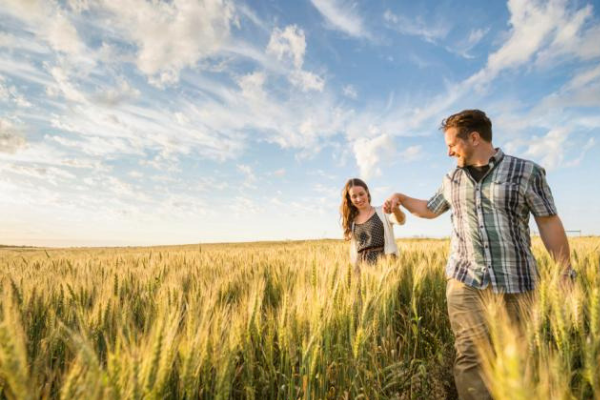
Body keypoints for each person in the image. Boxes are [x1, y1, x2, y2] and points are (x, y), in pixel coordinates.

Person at [384, 109, 573, 400]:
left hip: (516, 282)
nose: (449, 153)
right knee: (471, 357)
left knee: (517, 359)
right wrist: (402, 199)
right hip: (465, 280)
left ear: (474, 138)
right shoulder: (452, 179)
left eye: (451, 145)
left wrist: (564, 270)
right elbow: (430, 209)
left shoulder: (526, 171)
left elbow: (548, 221)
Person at [340, 178, 406, 266]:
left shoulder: (382, 211)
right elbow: (355, 250)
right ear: (350, 199)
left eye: (361, 194)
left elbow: (401, 221)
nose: (359, 199)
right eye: (354, 196)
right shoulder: (352, 222)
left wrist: (396, 209)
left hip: (386, 263)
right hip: (362, 267)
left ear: (367, 192)